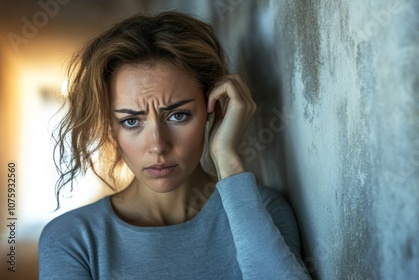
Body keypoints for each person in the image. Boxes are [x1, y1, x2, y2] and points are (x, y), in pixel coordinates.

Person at [38, 11, 311, 279]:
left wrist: (226, 157)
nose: (158, 145)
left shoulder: (262, 209)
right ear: (111, 126)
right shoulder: (71, 240)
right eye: (132, 121)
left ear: (212, 111)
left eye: (178, 115)